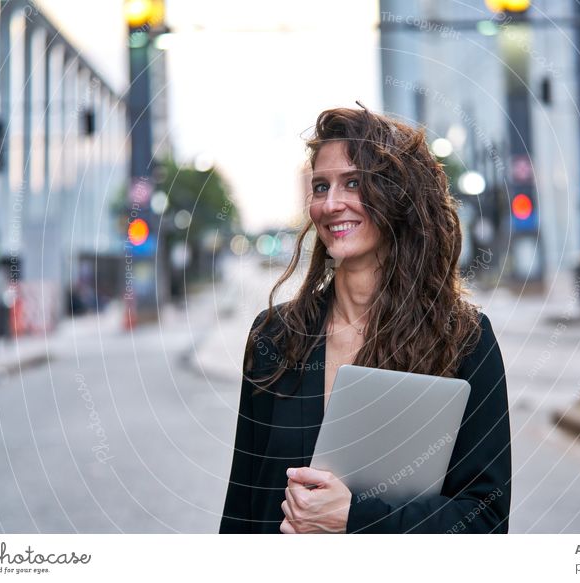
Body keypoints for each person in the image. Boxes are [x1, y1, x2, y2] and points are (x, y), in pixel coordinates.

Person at [219, 104, 511, 534]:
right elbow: (242, 503)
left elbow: (485, 520)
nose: (331, 204)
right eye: (321, 187)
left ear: (398, 196)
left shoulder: (462, 338)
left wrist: (354, 518)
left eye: (353, 183)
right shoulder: (274, 335)